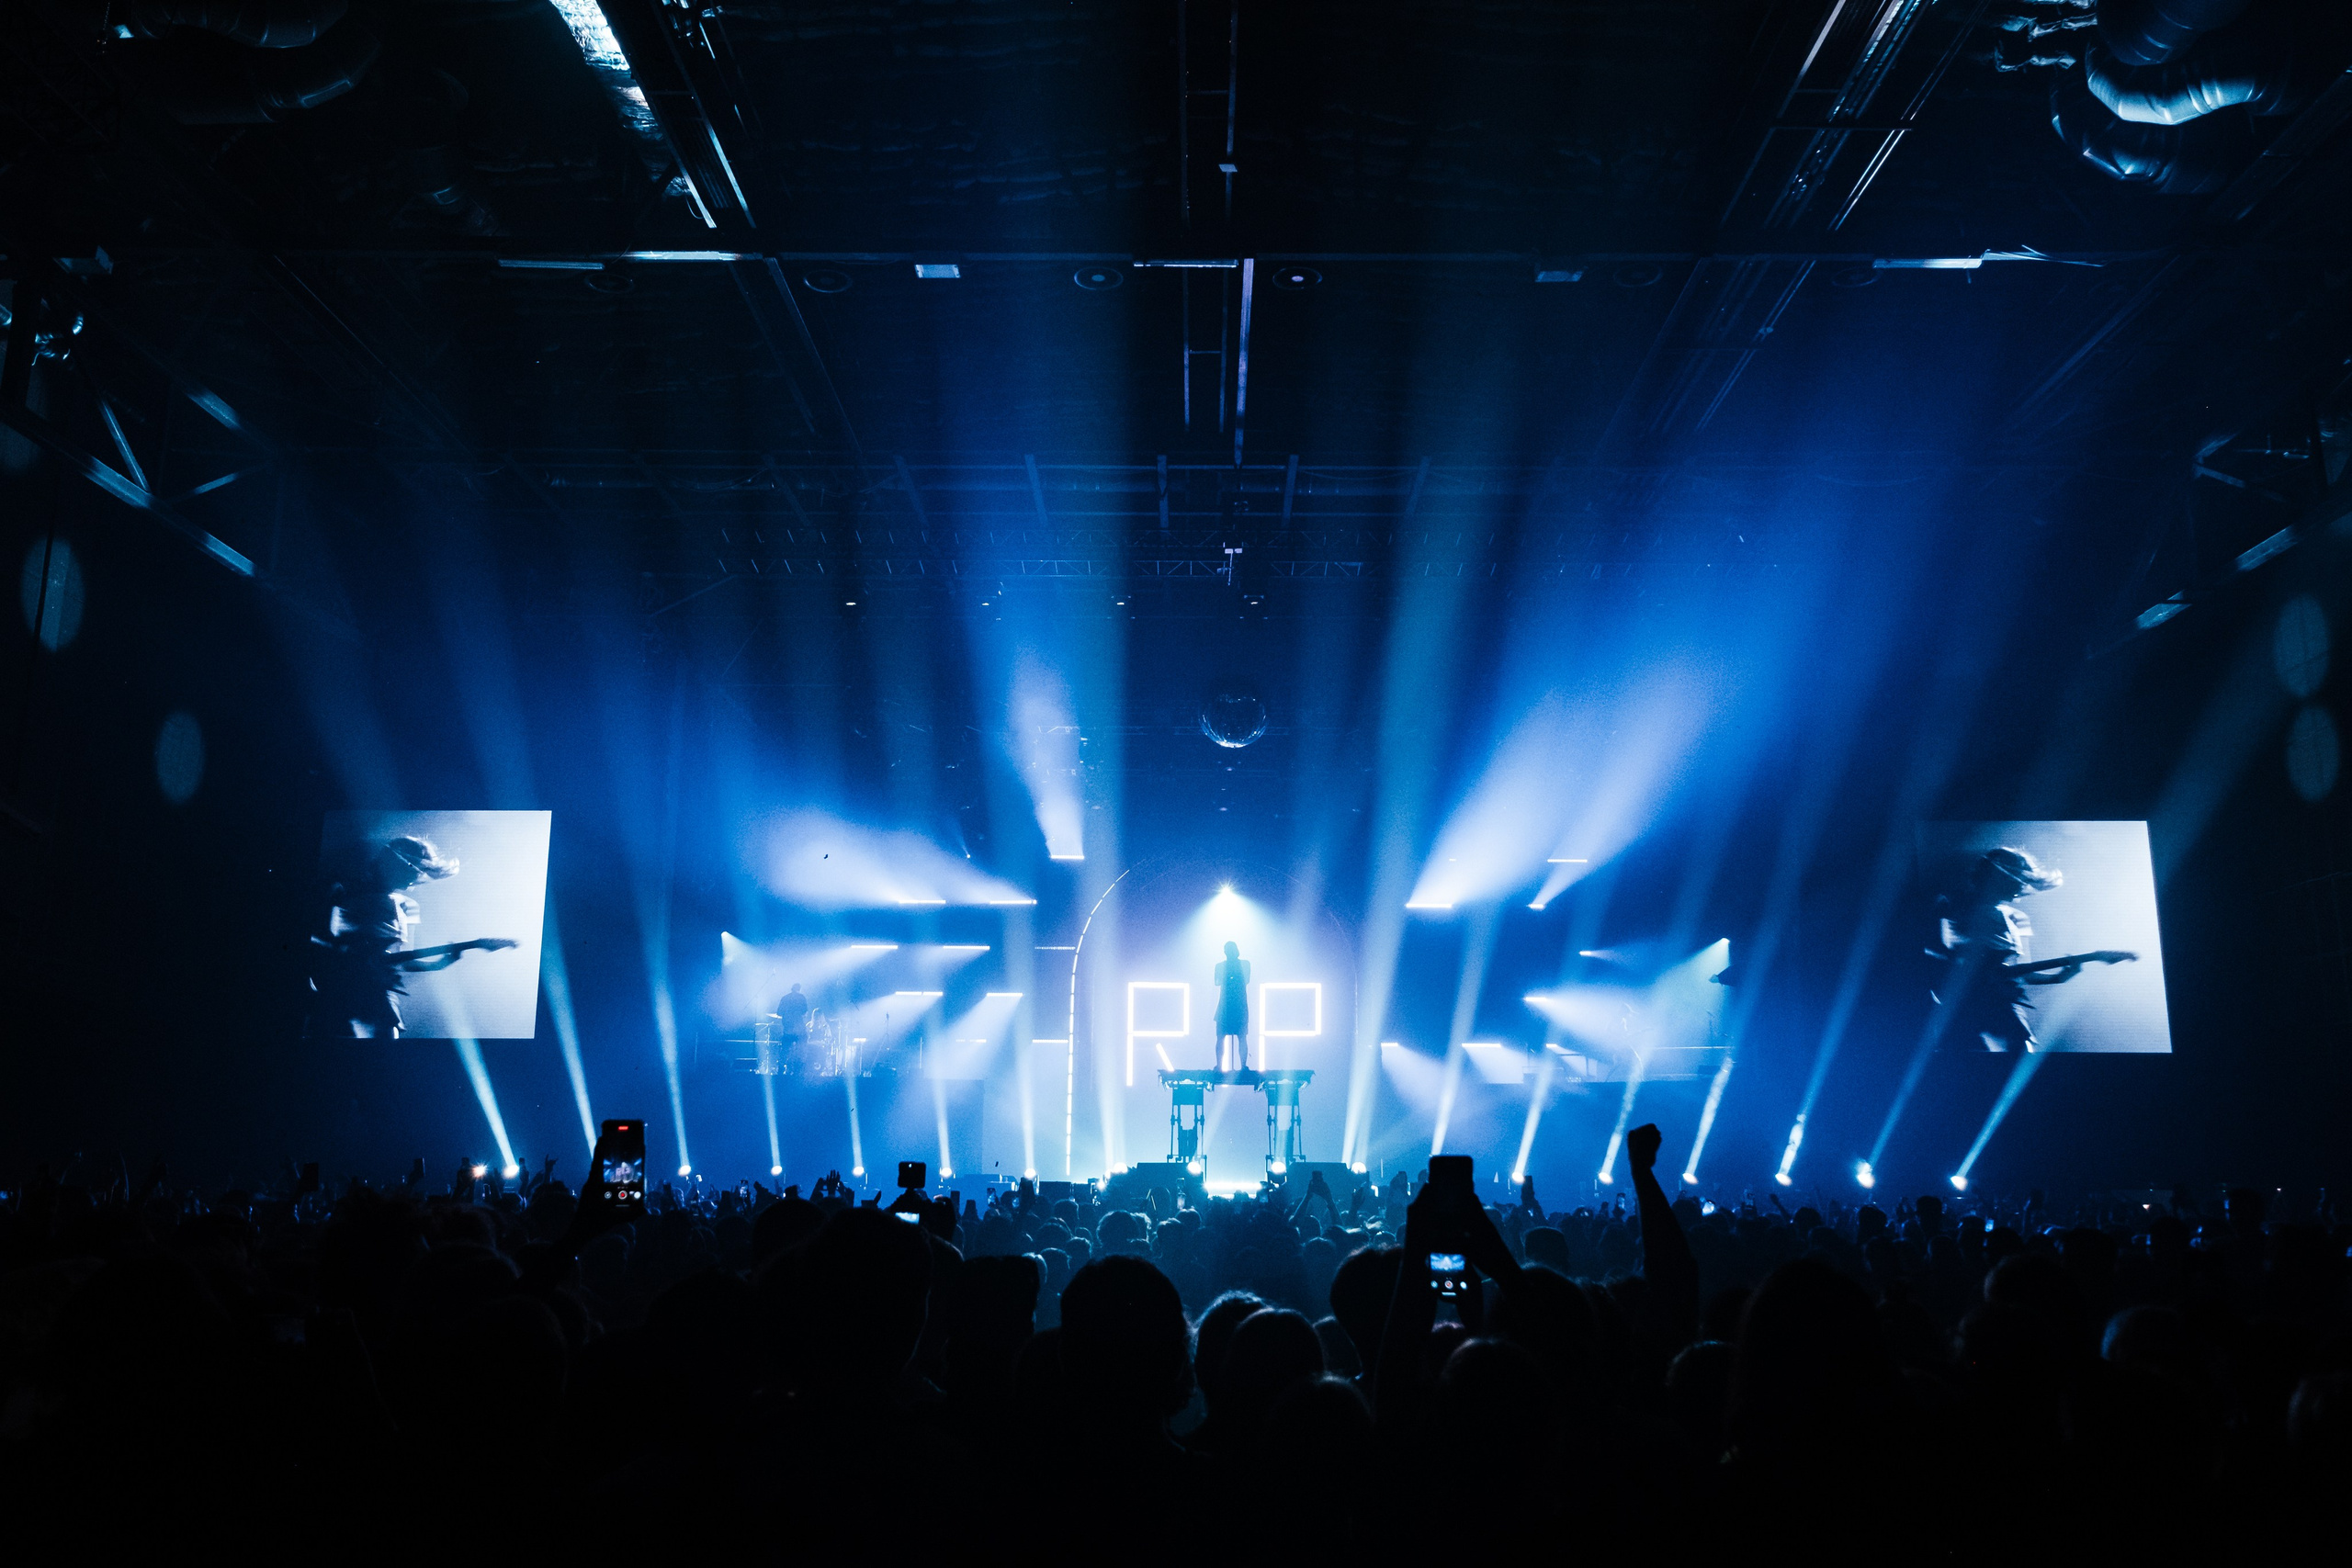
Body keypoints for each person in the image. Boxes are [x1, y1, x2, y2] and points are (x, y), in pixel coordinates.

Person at [307, 836, 502, 1038]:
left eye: (421, 871)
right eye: (414, 869)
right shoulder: (344, 890)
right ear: (394, 864)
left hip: (380, 991)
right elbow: (313, 939)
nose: (416, 877)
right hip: (336, 989)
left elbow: (406, 961)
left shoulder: (408, 907)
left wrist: (440, 964)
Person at [1932, 846, 2086, 1053]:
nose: (2021, 886)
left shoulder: (2017, 918)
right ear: (1999, 877)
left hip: (2006, 1004)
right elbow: (1934, 957)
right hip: (1960, 1007)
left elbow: (2024, 973)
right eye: (2017, 878)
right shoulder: (1952, 905)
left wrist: (2058, 977)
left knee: (2019, 1053)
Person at [1213, 940, 1250, 1071]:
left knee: (1230, 1037)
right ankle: (1240, 1066)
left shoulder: (1222, 966)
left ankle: (1222, 1065)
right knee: (1239, 1037)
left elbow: (1217, 981)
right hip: (1233, 1006)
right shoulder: (1244, 965)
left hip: (1229, 1006)